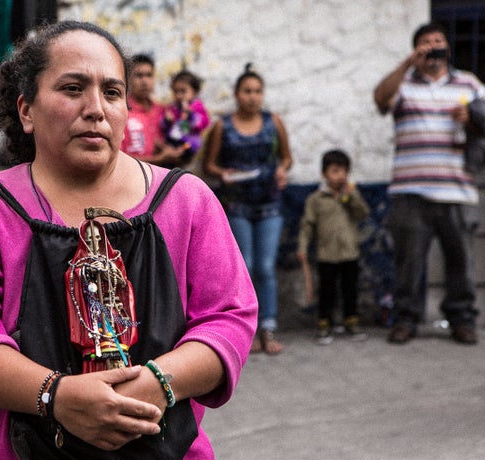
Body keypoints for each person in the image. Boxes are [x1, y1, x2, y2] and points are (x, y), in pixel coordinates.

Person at [0, 20, 257, 460]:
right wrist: (55, 396)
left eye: (112, 92)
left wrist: (158, 383)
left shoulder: (187, 200)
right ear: (26, 110)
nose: (96, 109)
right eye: (72, 88)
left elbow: (229, 318)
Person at [373, 22, 482, 345]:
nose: (432, 46)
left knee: (461, 262)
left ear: (447, 48)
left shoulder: (469, 84)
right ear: (417, 48)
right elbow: (380, 100)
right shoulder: (403, 84)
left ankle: (462, 319)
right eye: (425, 42)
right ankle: (406, 318)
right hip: (410, 190)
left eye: (437, 41)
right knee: (408, 262)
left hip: (458, 188)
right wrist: (407, 64)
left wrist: (472, 119)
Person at [203, 63, 293, 355]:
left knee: (266, 267)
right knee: (245, 266)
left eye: (257, 91)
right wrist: (224, 174)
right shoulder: (223, 126)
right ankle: (246, 331)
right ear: (237, 94)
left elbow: (287, 158)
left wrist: (282, 170)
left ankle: (268, 328)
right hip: (237, 205)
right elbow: (209, 165)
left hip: (270, 204)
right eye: (247, 91)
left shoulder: (273, 121)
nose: (253, 97)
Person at [296, 150, 370, 345]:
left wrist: (352, 197)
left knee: (350, 289)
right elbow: (307, 225)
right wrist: (302, 247)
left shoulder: (351, 194)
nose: (341, 176)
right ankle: (324, 324)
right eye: (335, 171)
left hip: (349, 253)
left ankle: (351, 322)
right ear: (324, 174)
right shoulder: (316, 199)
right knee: (327, 291)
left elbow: (362, 214)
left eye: (344, 171)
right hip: (326, 254)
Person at [121, 53, 189, 167]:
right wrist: (159, 159)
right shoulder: (123, 111)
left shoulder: (164, 111)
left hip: (164, 177)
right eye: (139, 75)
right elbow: (119, 158)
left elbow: (180, 138)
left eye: (149, 75)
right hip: (134, 178)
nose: (145, 81)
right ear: (128, 79)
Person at [160, 69, 211, 162]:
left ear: (194, 92)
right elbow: (164, 127)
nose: (179, 95)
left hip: (189, 143)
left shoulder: (197, 107)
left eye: (183, 91)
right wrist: (167, 121)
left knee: (186, 148)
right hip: (174, 140)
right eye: (176, 92)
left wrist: (191, 115)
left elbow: (203, 123)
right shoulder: (173, 107)